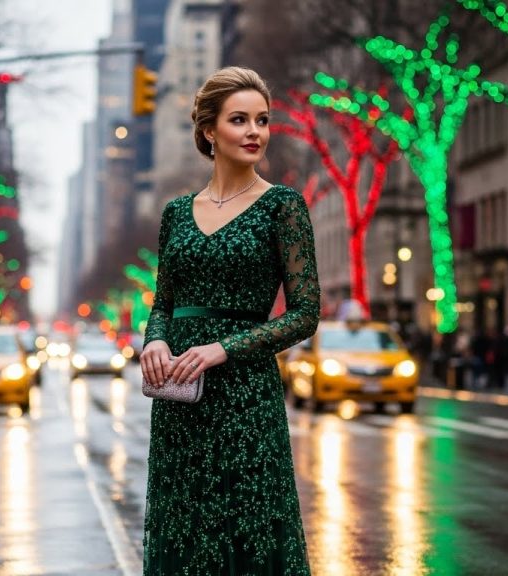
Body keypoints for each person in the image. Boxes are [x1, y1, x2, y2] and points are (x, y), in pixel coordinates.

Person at [139, 66, 318, 574]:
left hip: (246, 399)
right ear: (208, 131)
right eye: (239, 120)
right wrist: (154, 342)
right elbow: (163, 303)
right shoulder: (176, 212)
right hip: (180, 399)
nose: (255, 132)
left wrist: (223, 349)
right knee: (185, 529)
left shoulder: (283, 207)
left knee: (250, 531)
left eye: (262, 120)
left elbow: (306, 314)